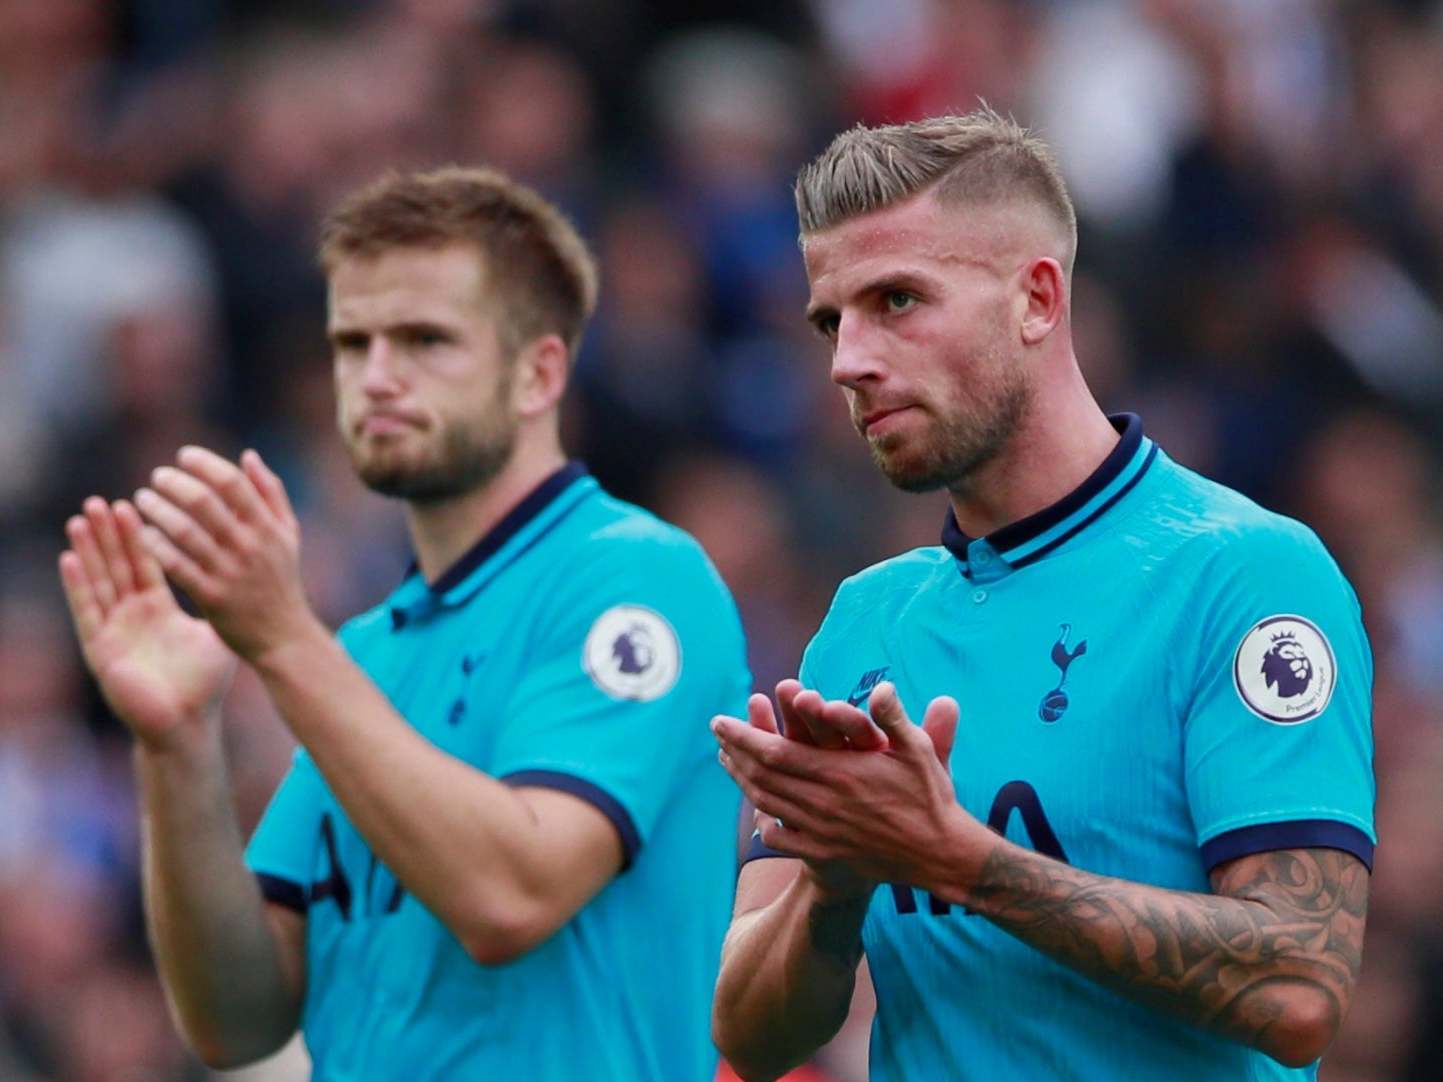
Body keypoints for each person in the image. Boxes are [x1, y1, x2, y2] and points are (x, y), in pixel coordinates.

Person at [710, 110, 1374, 1081]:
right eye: (830, 320)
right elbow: (751, 1037)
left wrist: (957, 858)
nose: (848, 358)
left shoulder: (1243, 573)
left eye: (897, 299)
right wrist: (835, 882)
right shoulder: (865, 622)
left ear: (1036, 298)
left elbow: (1300, 985)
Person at [58, 166, 750, 1079]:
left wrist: (281, 638)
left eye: (424, 340)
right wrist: (175, 742)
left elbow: (511, 896)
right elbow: (237, 1018)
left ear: (538, 370)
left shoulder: (638, 580)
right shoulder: (366, 653)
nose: (374, 378)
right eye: (351, 342)